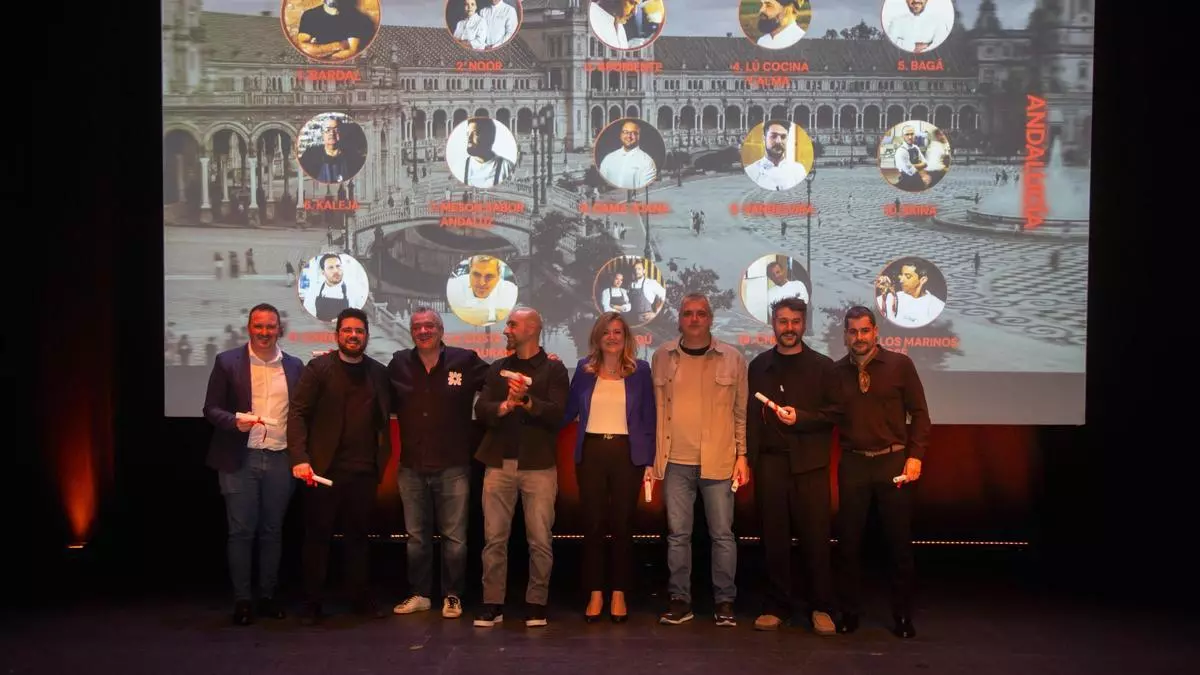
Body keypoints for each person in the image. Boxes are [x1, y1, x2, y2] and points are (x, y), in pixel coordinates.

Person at [799, 306, 931, 639]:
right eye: (852, 331)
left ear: (875, 332)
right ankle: (850, 613)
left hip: (893, 463)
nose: (859, 337)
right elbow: (825, 415)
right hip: (854, 464)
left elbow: (920, 414)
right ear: (845, 335)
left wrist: (915, 457)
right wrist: (797, 416)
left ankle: (902, 615)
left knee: (898, 544)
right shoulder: (835, 372)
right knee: (848, 545)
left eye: (864, 330)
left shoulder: (900, 365)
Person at [288, 308, 394, 625]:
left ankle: (359, 600)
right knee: (317, 539)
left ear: (366, 336)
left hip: (363, 471)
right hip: (323, 471)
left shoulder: (378, 373)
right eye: (347, 330)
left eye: (359, 331)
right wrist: (300, 458)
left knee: (358, 539)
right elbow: (298, 413)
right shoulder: (319, 368)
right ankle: (312, 603)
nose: (353, 336)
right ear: (337, 335)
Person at [648, 293, 749, 627]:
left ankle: (725, 602)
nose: (694, 319)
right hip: (675, 461)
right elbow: (654, 410)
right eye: (688, 313)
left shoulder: (733, 358)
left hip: (719, 460)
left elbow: (740, 414)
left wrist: (742, 455)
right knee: (678, 536)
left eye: (701, 314)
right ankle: (680, 600)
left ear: (710, 319)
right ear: (679, 319)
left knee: (722, 535)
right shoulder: (661, 356)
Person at [202, 303, 305, 626]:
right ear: (249, 328)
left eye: (270, 326)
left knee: (273, 531)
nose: (264, 332)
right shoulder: (227, 361)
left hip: (280, 457)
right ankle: (243, 600)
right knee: (241, 532)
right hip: (239, 458)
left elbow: (300, 415)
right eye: (258, 326)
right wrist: (234, 421)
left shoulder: (295, 366)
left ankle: (268, 597)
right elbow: (211, 409)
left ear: (280, 329)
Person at [388, 308, 490, 620]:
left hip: (453, 465)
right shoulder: (399, 363)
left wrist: (543, 361)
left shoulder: (464, 360)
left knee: (455, 539)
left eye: (429, 325)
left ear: (441, 329)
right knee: (416, 539)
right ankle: (420, 594)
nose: (423, 331)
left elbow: (498, 378)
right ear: (411, 332)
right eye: (417, 326)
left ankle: (453, 595)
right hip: (411, 466)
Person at [473, 308, 570, 628]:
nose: (506, 330)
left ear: (532, 329)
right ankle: (492, 603)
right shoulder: (497, 368)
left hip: (538, 465)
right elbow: (482, 409)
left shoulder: (554, 369)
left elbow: (557, 414)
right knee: (494, 539)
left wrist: (526, 401)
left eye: (512, 325)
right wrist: (505, 406)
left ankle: (536, 603)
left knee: (540, 539)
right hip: (498, 463)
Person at [744, 298, 837, 634]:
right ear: (773, 324)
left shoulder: (824, 367)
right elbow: (751, 419)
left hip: (810, 465)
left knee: (816, 539)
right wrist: (748, 460)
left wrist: (802, 418)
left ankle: (821, 607)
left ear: (804, 324)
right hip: (770, 464)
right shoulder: (758, 366)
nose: (789, 328)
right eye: (783, 321)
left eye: (795, 322)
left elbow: (834, 414)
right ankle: (777, 606)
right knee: (774, 539)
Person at [563, 312, 656, 622]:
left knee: (622, 525)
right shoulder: (583, 369)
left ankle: (618, 593)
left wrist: (649, 460)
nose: (612, 337)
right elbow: (567, 411)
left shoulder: (641, 370)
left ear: (626, 337)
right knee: (592, 525)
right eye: (606, 332)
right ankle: (595, 593)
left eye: (618, 331)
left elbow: (649, 417)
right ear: (597, 337)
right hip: (592, 452)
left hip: (627, 454)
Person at [445, 254, 520, 326]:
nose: (482, 283)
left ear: (498, 276)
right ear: (470, 271)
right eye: (476, 274)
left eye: (489, 276)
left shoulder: (510, 290)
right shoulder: (454, 286)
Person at [294, 0, 376, 61]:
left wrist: (318, 50)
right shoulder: (310, 15)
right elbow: (303, 47)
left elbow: (352, 51)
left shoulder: (355, 18)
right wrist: (337, 45)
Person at [874, 259, 946, 328]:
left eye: (908, 276)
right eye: (902, 275)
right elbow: (874, 310)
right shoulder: (892, 297)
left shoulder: (937, 307)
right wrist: (878, 285)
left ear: (923, 280)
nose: (901, 280)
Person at [744, 121, 808, 191]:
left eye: (783, 137)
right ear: (764, 139)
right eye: (773, 136)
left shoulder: (798, 170)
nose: (778, 141)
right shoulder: (752, 171)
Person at [303, 253, 368, 322]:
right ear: (323, 272)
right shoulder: (313, 291)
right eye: (331, 267)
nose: (336, 271)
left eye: (338, 266)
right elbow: (308, 317)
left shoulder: (354, 290)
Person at [300, 116, 365, 184]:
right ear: (322, 134)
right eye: (328, 130)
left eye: (336, 130)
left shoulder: (353, 157)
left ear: (341, 132)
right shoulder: (309, 156)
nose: (332, 133)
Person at [456, 118, 515, 188]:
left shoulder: (506, 167)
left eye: (476, 133)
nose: (469, 138)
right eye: (468, 134)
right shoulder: (461, 167)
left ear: (490, 137)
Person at [599, 120, 657, 190]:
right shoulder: (608, 158)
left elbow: (644, 189)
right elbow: (602, 180)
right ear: (621, 135)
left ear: (638, 136)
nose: (629, 136)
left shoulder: (647, 162)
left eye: (633, 133)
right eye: (625, 132)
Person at [885, 0, 951, 54]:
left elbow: (941, 46)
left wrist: (903, 44)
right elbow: (889, 44)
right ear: (906, 1)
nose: (916, 1)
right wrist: (913, 47)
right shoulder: (896, 22)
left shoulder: (939, 22)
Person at [627, 260, 666, 324]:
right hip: (632, 320)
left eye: (639, 269)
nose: (636, 271)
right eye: (635, 269)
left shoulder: (651, 283)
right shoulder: (631, 284)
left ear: (644, 271)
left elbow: (664, 295)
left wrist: (655, 313)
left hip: (645, 321)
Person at [892, 126, 929, 192]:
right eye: (907, 134)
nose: (910, 137)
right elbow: (910, 171)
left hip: (917, 180)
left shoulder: (916, 148)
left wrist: (913, 165)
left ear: (914, 135)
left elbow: (925, 163)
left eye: (912, 134)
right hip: (907, 181)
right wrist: (920, 165)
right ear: (903, 136)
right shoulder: (901, 151)